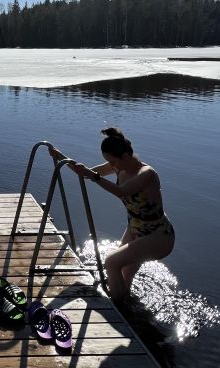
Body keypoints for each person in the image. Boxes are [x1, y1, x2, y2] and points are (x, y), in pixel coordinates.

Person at [47, 127, 174, 302]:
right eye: (108, 162)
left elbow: (121, 191)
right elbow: (84, 173)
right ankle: (126, 307)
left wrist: (94, 177)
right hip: (136, 227)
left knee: (111, 262)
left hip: (159, 236)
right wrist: (60, 156)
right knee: (124, 271)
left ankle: (118, 308)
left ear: (125, 156)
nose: (111, 166)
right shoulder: (118, 166)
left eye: (112, 161)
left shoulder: (147, 174)